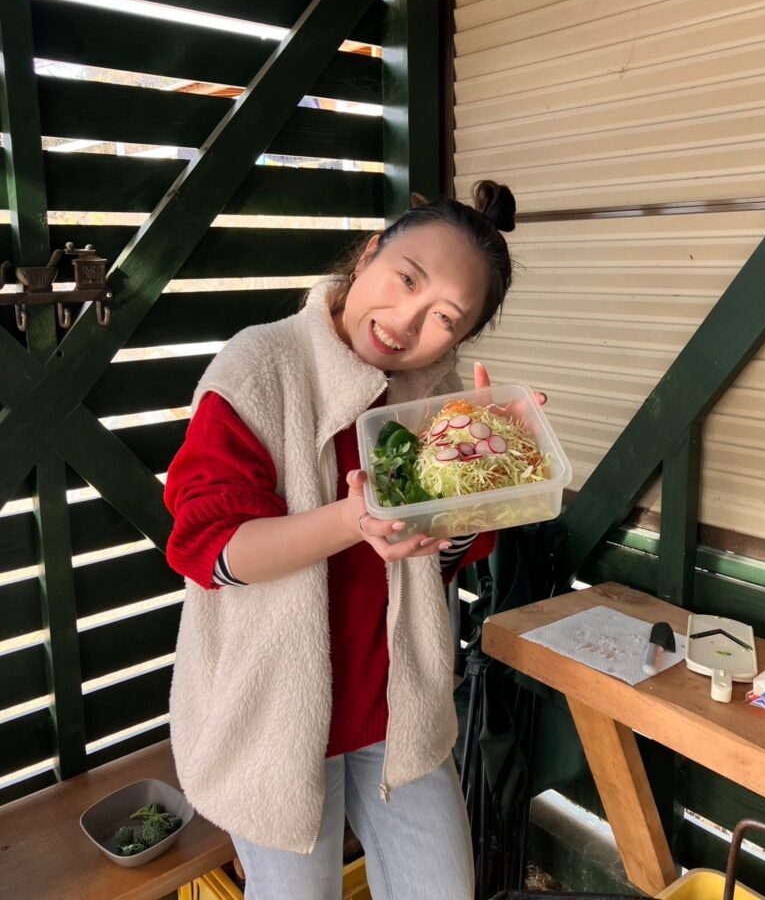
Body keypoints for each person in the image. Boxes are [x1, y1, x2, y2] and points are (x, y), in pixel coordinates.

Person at [164, 180, 520, 900]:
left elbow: (438, 568)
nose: (407, 322)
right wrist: (352, 521)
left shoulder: (437, 397)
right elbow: (213, 552)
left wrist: (484, 489)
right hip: (274, 723)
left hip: (398, 712)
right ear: (368, 256)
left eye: (445, 318)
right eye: (406, 279)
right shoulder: (261, 368)